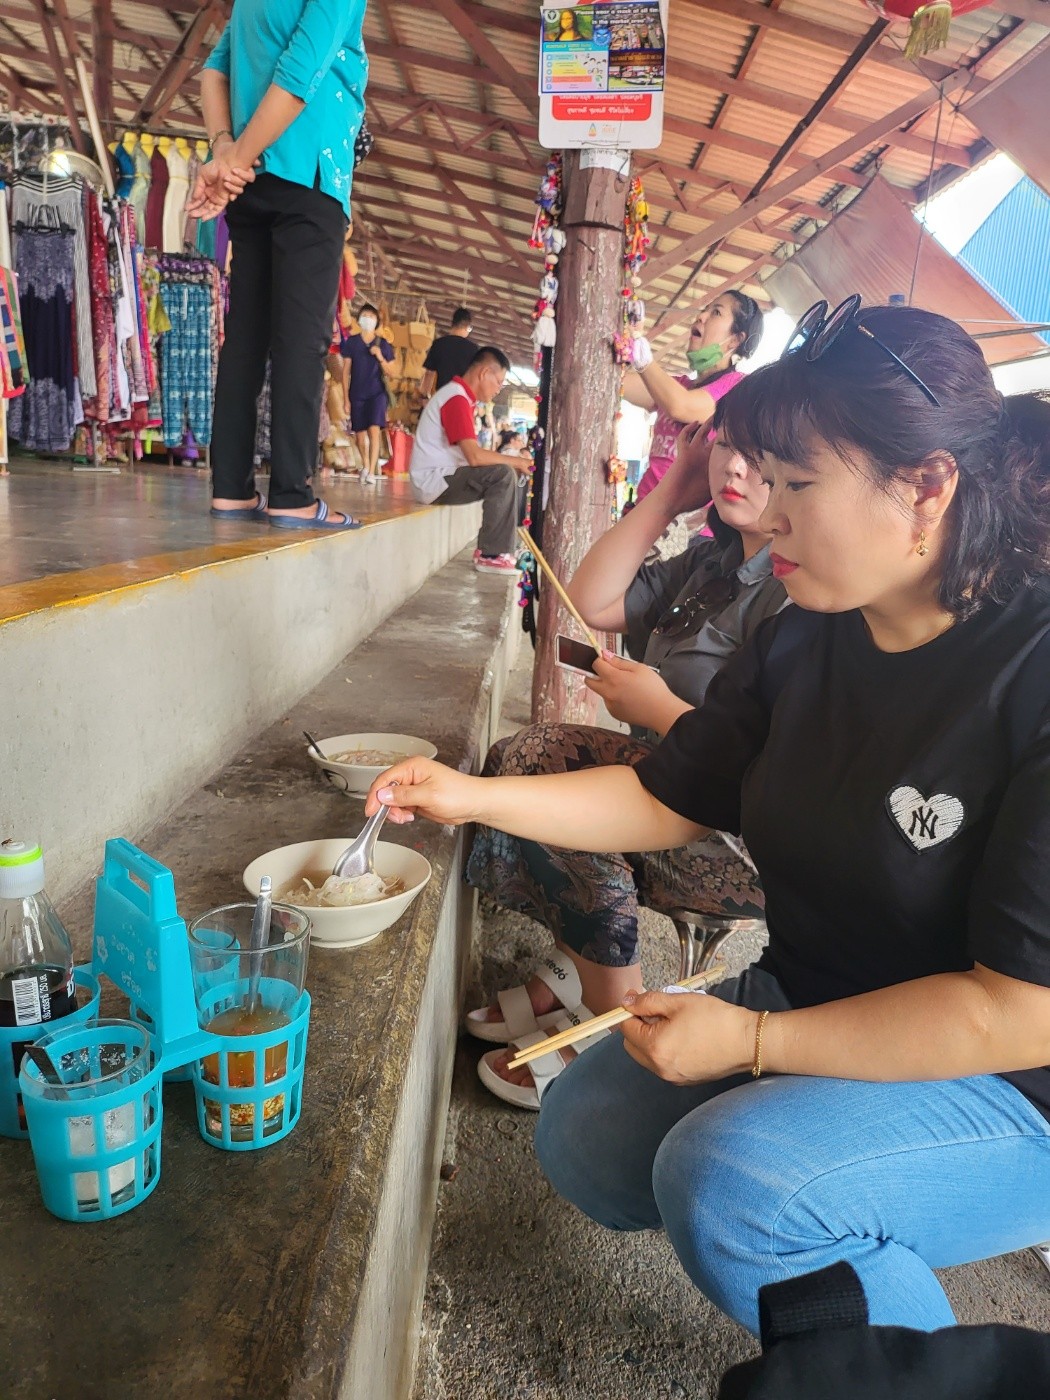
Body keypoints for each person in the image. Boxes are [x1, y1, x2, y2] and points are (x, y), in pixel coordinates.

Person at [365, 300, 1050, 1335]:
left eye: (797, 485)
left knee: (733, 1182)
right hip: (820, 987)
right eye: (763, 480)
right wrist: (466, 794)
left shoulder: (1030, 670)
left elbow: (1016, 1010)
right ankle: (838, 1228)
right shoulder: (806, 631)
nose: (765, 517)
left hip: (1008, 1075)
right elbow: (666, 794)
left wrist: (758, 1040)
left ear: (927, 486)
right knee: (587, 1135)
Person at [464, 414, 786, 1108]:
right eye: (727, 446)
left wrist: (663, 708)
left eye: (760, 455)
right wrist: (670, 491)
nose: (735, 467)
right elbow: (589, 600)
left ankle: (613, 1014)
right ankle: (580, 967)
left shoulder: (794, 593)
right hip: (671, 787)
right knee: (522, 759)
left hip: (734, 837)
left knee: (543, 761)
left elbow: (776, 767)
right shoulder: (707, 565)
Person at [191, 0, 366, 530]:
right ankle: (292, 495)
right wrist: (236, 159)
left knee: (246, 336)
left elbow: (214, 71)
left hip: (251, 184)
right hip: (310, 174)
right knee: (300, 342)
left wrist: (225, 153)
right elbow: (300, 73)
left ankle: (231, 489)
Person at [625, 291, 763, 504]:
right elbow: (621, 383)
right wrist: (627, 337)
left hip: (689, 522)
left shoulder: (735, 386)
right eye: (704, 310)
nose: (701, 317)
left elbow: (680, 406)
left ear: (735, 340)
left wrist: (642, 357)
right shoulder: (679, 386)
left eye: (716, 312)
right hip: (645, 509)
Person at [409, 347, 532, 575]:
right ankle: (491, 554)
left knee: (509, 472)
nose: (499, 389)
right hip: (433, 481)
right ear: (484, 373)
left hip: (443, 477)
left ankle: (506, 546)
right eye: (499, 382)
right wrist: (516, 461)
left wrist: (515, 463)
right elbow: (474, 457)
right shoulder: (455, 399)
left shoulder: (461, 397)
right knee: (503, 474)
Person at [340, 303, 395, 484]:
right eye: (365, 315)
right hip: (357, 394)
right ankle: (365, 464)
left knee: (374, 430)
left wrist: (380, 357)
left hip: (377, 394)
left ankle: (371, 471)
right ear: (359, 318)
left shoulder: (383, 344)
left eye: (372, 316)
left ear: (377, 321)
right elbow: (345, 372)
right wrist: (345, 398)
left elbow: (392, 372)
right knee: (360, 436)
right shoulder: (351, 342)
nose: (368, 319)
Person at [421, 308, 480, 397]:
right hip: (461, 397)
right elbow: (474, 378)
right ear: (468, 327)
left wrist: (424, 395)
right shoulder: (473, 349)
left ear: (452, 323)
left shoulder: (439, 344)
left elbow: (429, 373)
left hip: (441, 395)